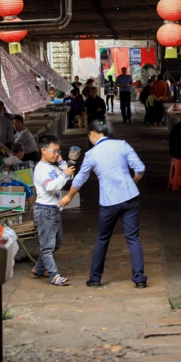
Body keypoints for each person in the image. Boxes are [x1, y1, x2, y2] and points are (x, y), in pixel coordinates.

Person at [60, 120, 148, 288]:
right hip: (130, 198)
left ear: (93, 133)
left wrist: (70, 196)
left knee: (102, 238)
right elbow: (140, 169)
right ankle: (139, 278)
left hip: (109, 202)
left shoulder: (92, 154)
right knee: (133, 238)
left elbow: (80, 178)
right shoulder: (122, 145)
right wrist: (132, 182)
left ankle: (95, 278)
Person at [31, 134, 74, 286]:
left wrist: (62, 162)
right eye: (54, 151)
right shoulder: (41, 168)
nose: (56, 154)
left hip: (54, 210)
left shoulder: (53, 166)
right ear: (43, 150)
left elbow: (69, 175)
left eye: (58, 151)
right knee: (47, 247)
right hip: (45, 210)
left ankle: (38, 268)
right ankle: (54, 276)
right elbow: (50, 186)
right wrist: (64, 174)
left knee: (57, 243)